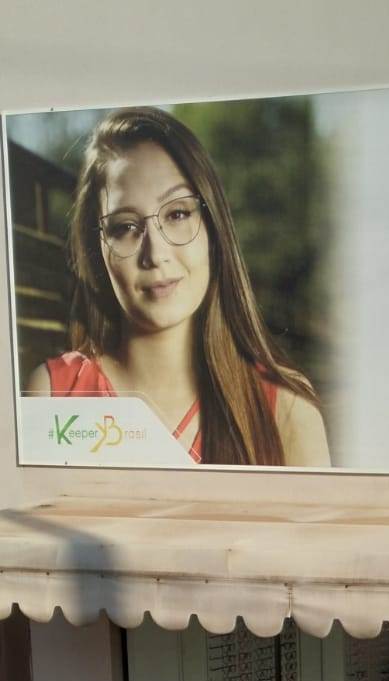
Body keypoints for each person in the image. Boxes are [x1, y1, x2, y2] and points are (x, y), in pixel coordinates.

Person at [27, 106, 330, 467]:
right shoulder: (55, 396)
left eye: (178, 214)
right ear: (98, 251)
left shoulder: (287, 412)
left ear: (213, 229)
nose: (155, 254)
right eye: (125, 227)